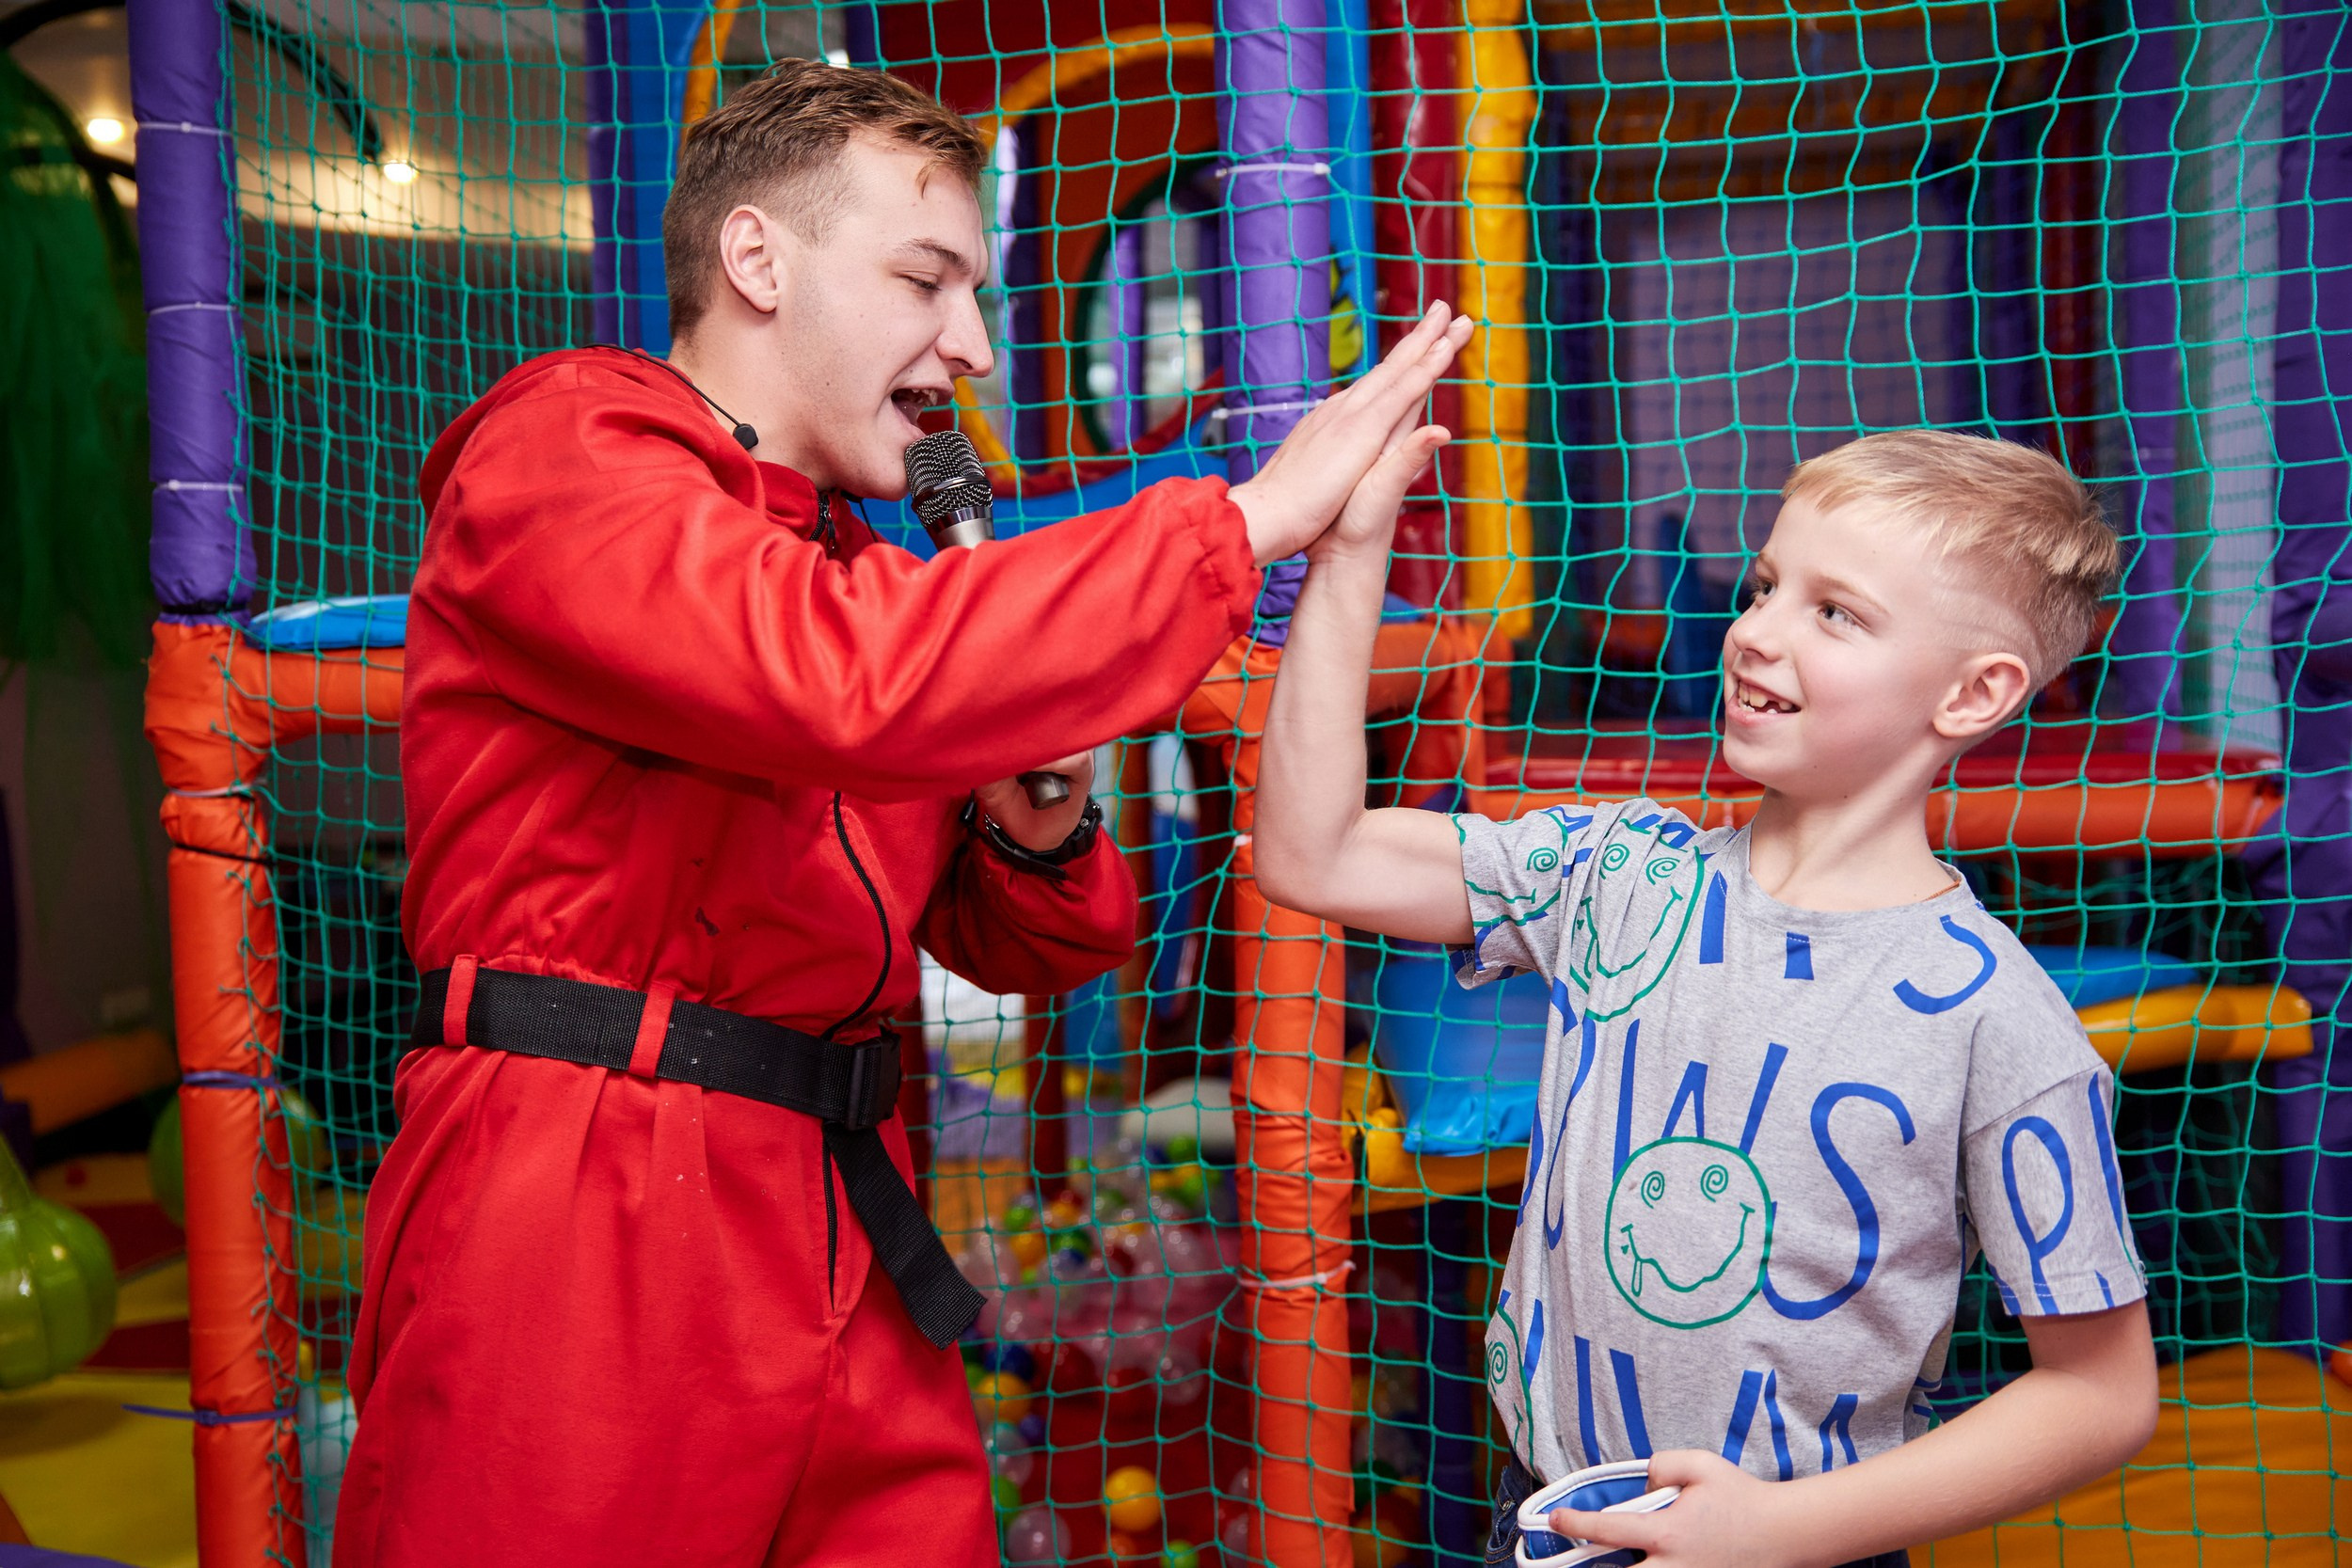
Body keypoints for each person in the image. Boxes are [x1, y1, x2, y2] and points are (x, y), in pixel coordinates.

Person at [336, 58, 1471, 1568]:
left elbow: (1028, 940)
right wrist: (1248, 517)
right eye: (926, 279)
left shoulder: (871, 570)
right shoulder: (573, 447)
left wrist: (1039, 818)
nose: (978, 350)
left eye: (982, 295)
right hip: (588, 1203)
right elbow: (829, 683)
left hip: (841, 1213)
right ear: (757, 260)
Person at [1255, 428, 2160, 1567]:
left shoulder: (1998, 1016)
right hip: (1547, 1521)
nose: (1755, 632)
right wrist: (1348, 557)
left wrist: (1780, 1530)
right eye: (1768, 585)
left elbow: (2103, 1392)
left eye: (1836, 612)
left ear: (1973, 691)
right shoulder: (1618, 873)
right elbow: (1315, 853)